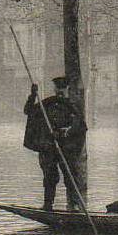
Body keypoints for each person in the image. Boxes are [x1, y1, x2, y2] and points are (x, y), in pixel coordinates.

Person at [23, 76, 88, 211]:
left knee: (70, 176)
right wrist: (33, 95)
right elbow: (28, 111)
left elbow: (81, 127)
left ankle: (74, 205)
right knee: (50, 177)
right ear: (55, 89)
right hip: (49, 148)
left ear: (67, 89)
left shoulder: (72, 106)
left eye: (63, 88)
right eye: (58, 88)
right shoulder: (48, 103)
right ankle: (48, 205)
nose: (60, 91)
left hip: (66, 148)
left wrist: (66, 132)